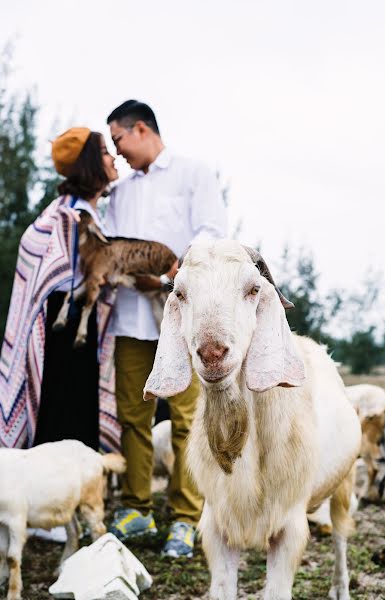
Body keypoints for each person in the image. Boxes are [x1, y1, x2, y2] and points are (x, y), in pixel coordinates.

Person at [105, 99, 227, 558]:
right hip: (130, 316)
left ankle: (184, 517)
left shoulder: (193, 172)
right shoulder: (121, 191)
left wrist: (170, 273)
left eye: (118, 141)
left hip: (181, 318)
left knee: (186, 419)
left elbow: (213, 231)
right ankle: (136, 508)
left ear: (140, 129)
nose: (118, 154)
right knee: (133, 417)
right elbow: (110, 243)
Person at [0, 127, 120, 455]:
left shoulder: (83, 214)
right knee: (64, 425)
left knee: (78, 424)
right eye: (106, 152)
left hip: (78, 326)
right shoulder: (68, 216)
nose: (114, 158)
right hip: (62, 333)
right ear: (92, 163)